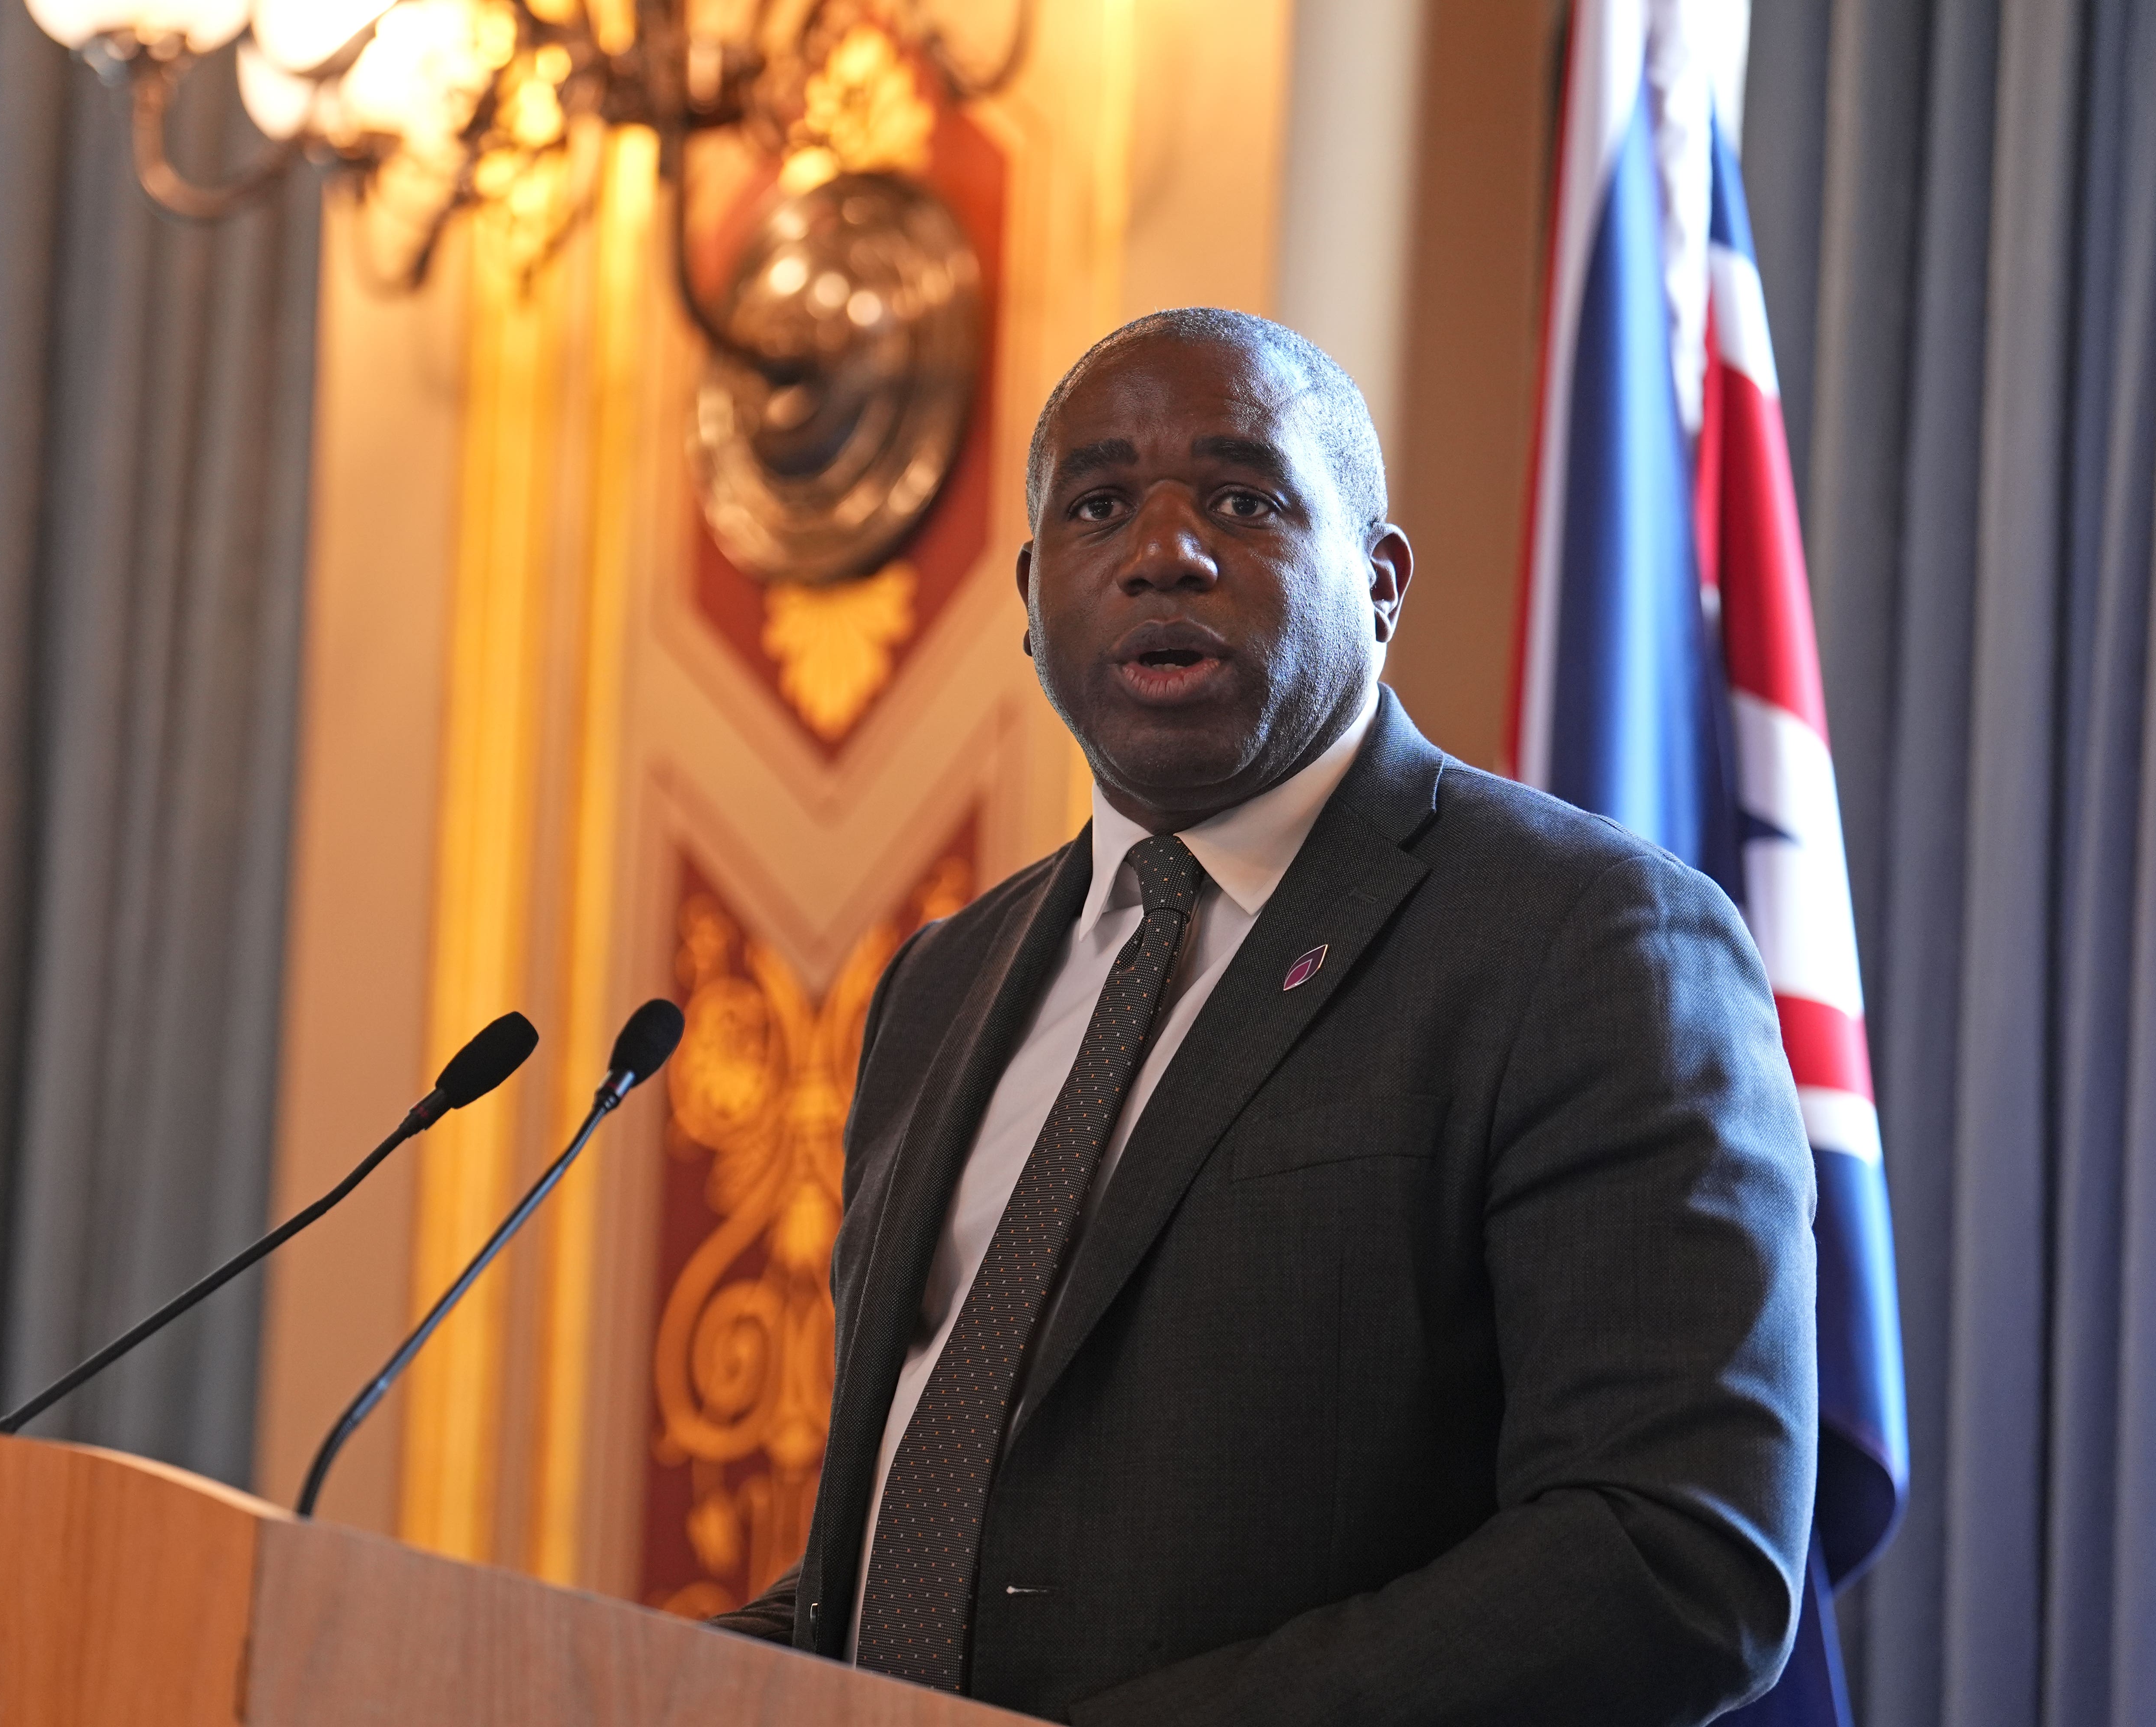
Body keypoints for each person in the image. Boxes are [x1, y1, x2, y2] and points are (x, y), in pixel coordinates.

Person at [709, 307, 1817, 1725]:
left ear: (1380, 581)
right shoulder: (941, 984)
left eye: (1243, 499)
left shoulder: (1584, 940)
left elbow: (1672, 1553)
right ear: (1034, 594)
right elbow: (911, 1560)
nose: (1162, 552)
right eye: (1100, 506)